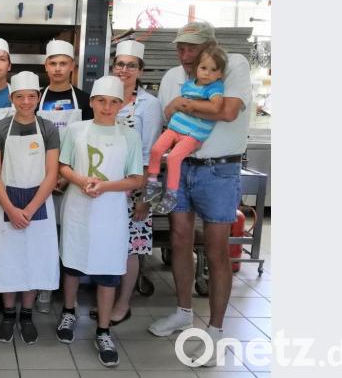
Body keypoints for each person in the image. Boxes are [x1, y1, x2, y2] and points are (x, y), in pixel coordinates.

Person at [148, 21, 252, 367]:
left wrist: (185, 105)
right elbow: (168, 116)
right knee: (179, 239)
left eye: (193, 48)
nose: (186, 54)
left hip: (219, 170)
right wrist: (179, 107)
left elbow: (227, 111)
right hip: (183, 166)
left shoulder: (232, 64)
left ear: (211, 45)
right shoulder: (171, 77)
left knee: (216, 249)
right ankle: (182, 312)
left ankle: (217, 331)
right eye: (181, 47)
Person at [54, 76, 144, 368]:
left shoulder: (129, 135)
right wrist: (81, 180)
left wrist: (104, 186)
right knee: (72, 264)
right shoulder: (77, 130)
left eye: (113, 102)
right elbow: (63, 165)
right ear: (91, 102)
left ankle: (103, 331)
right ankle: (69, 312)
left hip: (111, 212)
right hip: (78, 207)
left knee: (108, 271)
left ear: (122, 104)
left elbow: (136, 178)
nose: (107, 107)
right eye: (101, 101)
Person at [0, 71, 61, 345]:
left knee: (34, 258)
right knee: (8, 259)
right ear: (12, 98)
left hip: (38, 204)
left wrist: (28, 210)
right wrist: (11, 208)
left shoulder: (48, 128)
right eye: (20, 96)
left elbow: (52, 174)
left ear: (38, 97)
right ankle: (8, 315)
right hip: (5, 202)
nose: (26, 101)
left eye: (31, 96)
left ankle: (26, 315)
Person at [34, 39, 93, 313]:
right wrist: (46, 176)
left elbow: (89, 142)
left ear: (72, 66)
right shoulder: (34, 98)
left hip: (74, 179)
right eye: (53, 63)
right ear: (46, 66)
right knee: (43, 234)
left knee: (70, 235)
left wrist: (67, 176)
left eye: (63, 63)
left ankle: (71, 293)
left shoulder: (84, 100)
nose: (58, 69)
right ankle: (44, 288)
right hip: (39, 177)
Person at [108, 39, 163, 325]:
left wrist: (144, 195)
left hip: (133, 187)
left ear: (140, 70)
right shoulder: (105, 96)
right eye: (120, 64)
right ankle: (106, 298)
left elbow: (152, 152)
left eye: (131, 66)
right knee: (108, 243)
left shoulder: (149, 105)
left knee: (130, 247)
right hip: (104, 185)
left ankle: (123, 303)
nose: (124, 70)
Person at [144, 45, 228, 214]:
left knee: (174, 158)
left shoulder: (214, 88)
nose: (207, 73)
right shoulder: (188, 85)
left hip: (193, 135)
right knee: (156, 149)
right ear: (197, 68)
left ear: (220, 74)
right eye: (203, 68)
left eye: (213, 70)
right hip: (175, 128)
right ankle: (152, 182)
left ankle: (172, 194)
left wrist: (187, 105)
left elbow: (216, 107)